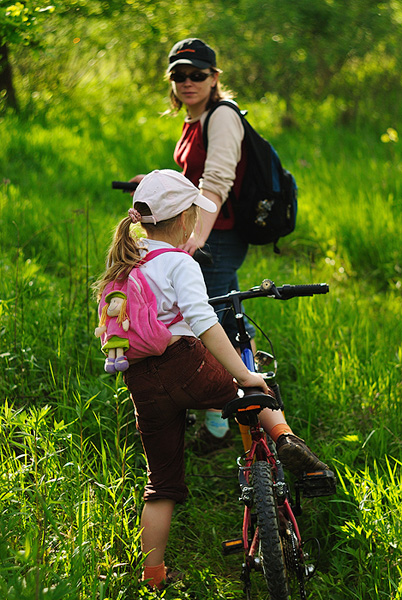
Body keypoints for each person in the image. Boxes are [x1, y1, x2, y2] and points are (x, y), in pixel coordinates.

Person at [95, 169, 330, 590]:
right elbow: (203, 322)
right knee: (255, 394)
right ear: (185, 219)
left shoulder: (125, 266)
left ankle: (153, 577)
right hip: (185, 364)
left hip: (141, 381)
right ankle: (289, 445)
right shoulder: (178, 262)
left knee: (161, 483)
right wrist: (243, 374)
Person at [131, 38, 259, 450]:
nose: (188, 81)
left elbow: (217, 179)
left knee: (211, 316)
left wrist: (197, 236)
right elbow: (190, 179)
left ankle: (226, 418)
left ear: (214, 78)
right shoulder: (195, 117)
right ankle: (246, 386)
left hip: (216, 234)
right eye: (179, 75)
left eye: (197, 74)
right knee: (225, 308)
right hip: (204, 230)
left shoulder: (221, 117)